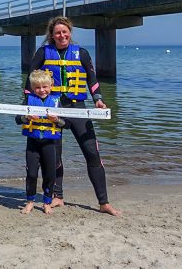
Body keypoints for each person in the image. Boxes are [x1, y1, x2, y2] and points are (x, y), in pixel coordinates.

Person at [23, 16, 121, 216]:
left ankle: (104, 202)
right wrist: (27, 107)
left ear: (70, 33)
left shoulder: (82, 53)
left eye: (65, 31)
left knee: (92, 153)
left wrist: (98, 100)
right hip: (53, 108)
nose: (62, 35)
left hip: (77, 108)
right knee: (54, 155)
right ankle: (57, 196)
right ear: (52, 35)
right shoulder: (43, 53)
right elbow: (29, 82)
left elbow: (92, 80)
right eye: (57, 32)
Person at [15, 70, 66, 215]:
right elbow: (17, 120)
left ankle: (47, 202)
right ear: (32, 88)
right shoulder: (28, 100)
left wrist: (57, 120)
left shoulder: (57, 101)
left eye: (45, 87)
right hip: (33, 143)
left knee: (49, 174)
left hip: (50, 144)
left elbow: (66, 124)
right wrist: (27, 117)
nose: (41, 90)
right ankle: (30, 202)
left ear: (51, 86)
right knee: (31, 173)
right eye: (37, 87)